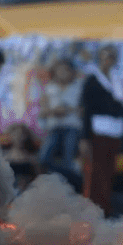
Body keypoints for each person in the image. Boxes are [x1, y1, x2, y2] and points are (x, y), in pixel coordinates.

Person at [80, 44, 123, 215]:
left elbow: (116, 104)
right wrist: (84, 137)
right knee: (95, 172)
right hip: (97, 132)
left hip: (113, 131)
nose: (110, 60)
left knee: (108, 171)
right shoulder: (93, 80)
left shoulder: (114, 80)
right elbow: (86, 109)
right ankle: (92, 209)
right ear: (101, 58)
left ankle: (104, 207)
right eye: (107, 56)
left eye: (113, 56)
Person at [38, 57, 84, 191]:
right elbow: (43, 110)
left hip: (72, 128)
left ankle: (68, 187)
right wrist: (55, 111)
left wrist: (67, 110)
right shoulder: (49, 88)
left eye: (66, 70)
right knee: (44, 158)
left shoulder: (78, 87)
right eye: (60, 70)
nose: (63, 73)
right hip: (54, 127)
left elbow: (81, 109)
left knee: (68, 159)